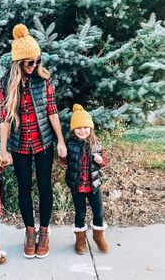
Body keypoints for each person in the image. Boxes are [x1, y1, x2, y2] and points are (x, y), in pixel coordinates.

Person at [0, 24, 67, 259]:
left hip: (43, 142)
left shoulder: (43, 81)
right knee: (24, 189)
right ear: (19, 62)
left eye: (37, 61)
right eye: (30, 62)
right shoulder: (5, 84)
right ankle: (29, 231)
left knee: (45, 186)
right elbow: (4, 118)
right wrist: (3, 149)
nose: (35, 66)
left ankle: (44, 232)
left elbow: (52, 111)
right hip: (19, 145)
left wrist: (61, 141)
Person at [64, 104, 109, 254]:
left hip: (93, 185)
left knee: (99, 212)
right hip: (77, 185)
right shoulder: (70, 144)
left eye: (85, 127)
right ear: (73, 130)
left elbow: (104, 162)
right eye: (79, 128)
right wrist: (63, 156)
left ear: (91, 128)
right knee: (80, 213)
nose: (82, 130)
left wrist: (99, 160)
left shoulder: (96, 145)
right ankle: (80, 239)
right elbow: (65, 162)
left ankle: (98, 236)